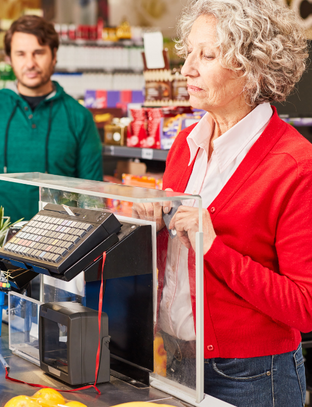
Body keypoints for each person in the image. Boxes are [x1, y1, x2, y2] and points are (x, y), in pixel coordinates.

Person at [138, 0, 312, 405]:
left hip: (251, 375)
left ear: (254, 68)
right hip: (175, 357)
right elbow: (179, 258)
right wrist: (154, 222)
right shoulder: (187, 143)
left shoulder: (295, 165)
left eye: (208, 55)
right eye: (189, 53)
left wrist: (214, 247)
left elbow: (304, 307)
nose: (187, 69)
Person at [0, 15, 103, 222]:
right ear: (9, 59)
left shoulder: (79, 117)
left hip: (58, 245)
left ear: (54, 55)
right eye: (20, 54)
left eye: (38, 53)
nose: (30, 63)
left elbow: (91, 197)